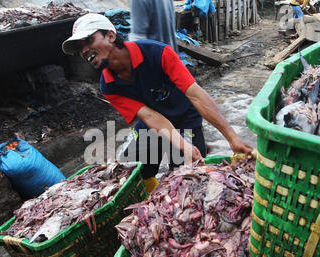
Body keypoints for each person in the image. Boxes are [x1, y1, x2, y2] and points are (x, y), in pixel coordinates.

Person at [62, 13, 253, 192]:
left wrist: (231, 137)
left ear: (110, 35)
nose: (84, 51)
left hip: (185, 120)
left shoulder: (157, 53)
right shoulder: (108, 86)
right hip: (152, 125)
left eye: (88, 40)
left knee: (188, 178)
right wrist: (181, 144)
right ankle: (152, 198)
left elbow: (196, 95)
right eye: (80, 48)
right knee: (132, 171)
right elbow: (150, 116)